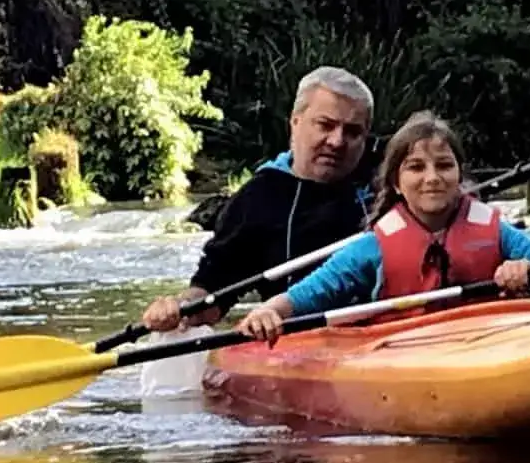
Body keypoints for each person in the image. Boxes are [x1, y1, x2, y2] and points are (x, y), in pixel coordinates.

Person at [235, 110, 530, 344]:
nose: (432, 179)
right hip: (406, 350)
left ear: (460, 175)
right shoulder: (371, 247)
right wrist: (267, 312)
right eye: (416, 168)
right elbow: (307, 295)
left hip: (490, 342)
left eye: (444, 166)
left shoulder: (500, 234)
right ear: (395, 182)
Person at [141, 66, 378, 332]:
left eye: (353, 132)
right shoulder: (258, 198)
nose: (337, 141)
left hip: (391, 336)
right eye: (325, 125)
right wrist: (177, 308)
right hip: (300, 342)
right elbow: (212, 293)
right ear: (295, 121)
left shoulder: (390, 183)